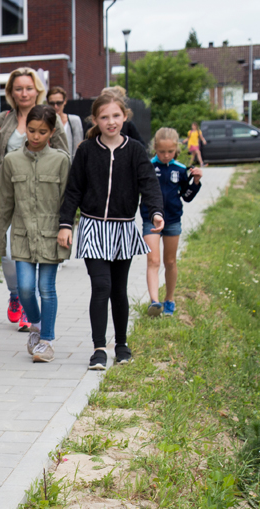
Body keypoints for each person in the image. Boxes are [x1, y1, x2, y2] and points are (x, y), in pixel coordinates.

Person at [58, 91, 165, 370]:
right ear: (95, 120)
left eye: (116, 116)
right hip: (93, 227)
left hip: (122, 228)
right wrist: (66, 224)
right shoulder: (86, 150)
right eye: (104, 117)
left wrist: (156, 212)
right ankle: (98, 349)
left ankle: (121, 344)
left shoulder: (135, 150)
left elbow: (149, 184)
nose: (111, 122)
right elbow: (73, 190)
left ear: (125, 117)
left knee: (118, 289)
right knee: (101, 286)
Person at [0, 67, 69, 332]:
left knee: (45, 283)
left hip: (42, 198)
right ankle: (17, 295)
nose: (24, 93)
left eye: (28, 88)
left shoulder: (50, 119)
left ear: (37, 90)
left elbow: (64, 158)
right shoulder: (4, 119)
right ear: (11, 92)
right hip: (11, 194)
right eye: (18, 88)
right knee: (10, 257)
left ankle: (37, 324)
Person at [143, 127, 203, 317]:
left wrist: (195, 183)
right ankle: (155, 302)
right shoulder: (147, 167)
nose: (166, 155)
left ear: (176, 149)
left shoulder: (180, 169)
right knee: (153, 260)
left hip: (173, 220)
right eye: (162, 151)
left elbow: (186, 196)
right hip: (150, 220)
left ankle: (169, 300)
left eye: (170, 151)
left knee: (170, 261)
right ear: (155, 148)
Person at [47, 86, 83, 156]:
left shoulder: (74, 121)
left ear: (65, 101)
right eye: (52, 103)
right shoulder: (45, 122)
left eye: (59, 103)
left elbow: (78, 147)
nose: (55, 106)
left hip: (71, 161)